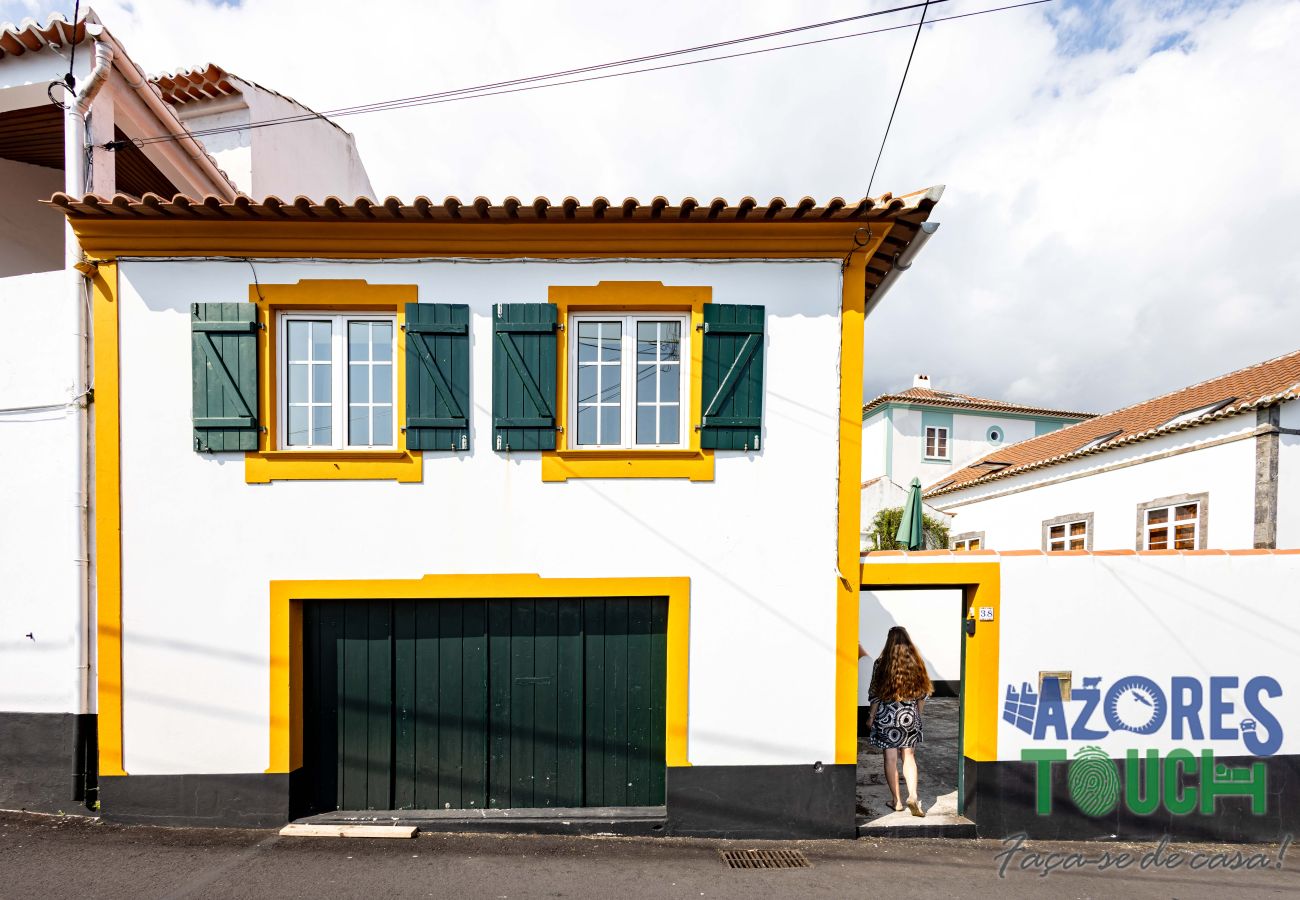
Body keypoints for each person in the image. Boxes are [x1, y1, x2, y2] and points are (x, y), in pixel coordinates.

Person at [866, 626, 933, 817]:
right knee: (909, 757)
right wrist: (918, 715)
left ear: (889, 641)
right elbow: (923, 694)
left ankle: (896, 801)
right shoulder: (916, 662)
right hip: (909, 716)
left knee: (890, 758)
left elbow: (875, 694)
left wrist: (871, 717)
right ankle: (913, 795)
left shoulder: (880, 663)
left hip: (886, 718)